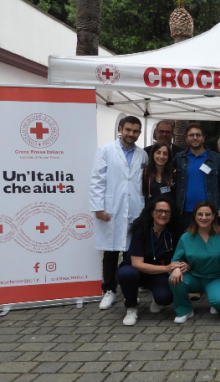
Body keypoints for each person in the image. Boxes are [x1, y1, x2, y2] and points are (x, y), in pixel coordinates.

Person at [90, 115, 148, 310]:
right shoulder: (106, 150)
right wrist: (98, 207)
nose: (131, 134)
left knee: (131, 251)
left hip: (134, 208)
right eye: (128, 130)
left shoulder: (142, 155)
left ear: (139, 133)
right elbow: (97, 180)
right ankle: (109, 290)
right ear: (121, 129)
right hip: (111, 208)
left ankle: (129, 290)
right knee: (111, 251)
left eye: (135, 131)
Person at [116, 197, 182, 325]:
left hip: (157, 274)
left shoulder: (174, 232)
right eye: (159, 211)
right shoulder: (141, 231)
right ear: (151, 212)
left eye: (167, 212)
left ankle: (156, 298)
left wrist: (176, 268)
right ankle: (131, 307)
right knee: (126, 274)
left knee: (165, 297)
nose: (163, 214)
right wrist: (167, 268)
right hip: (136, 271)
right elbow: (136, 263)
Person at [169, 201, 220, 323]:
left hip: (216, 277)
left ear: (214, 216)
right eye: (200, 214)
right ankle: (184, 310)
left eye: (207, 214)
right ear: (194, 216)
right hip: (194, 277)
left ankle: (216, 298)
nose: (204, 218)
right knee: (174, 279)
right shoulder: (186, 237)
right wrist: (176, 269)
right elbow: (176, 260)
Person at [173, 123, 220, 228]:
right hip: (184, 213)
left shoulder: (215, 158)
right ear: (186, 138)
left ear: (203, 138)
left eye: (198, 135)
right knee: (187, 243)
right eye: (191, 135)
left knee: (208, 243)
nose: (195, 138)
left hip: (209, 213)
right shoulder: (179, 158)